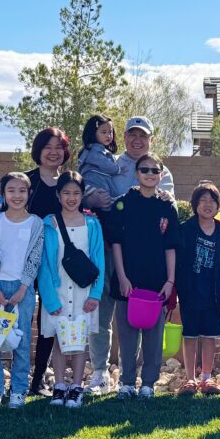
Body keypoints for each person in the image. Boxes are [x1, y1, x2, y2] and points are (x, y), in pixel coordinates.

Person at [84, 116, 175, 396]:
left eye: (143, 136)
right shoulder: (108, 163)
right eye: (132, 135)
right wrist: (92, 197)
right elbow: (84, 193)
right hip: (107, 250)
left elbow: (164, 210)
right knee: (102, 313)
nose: (138, 140)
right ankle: (100, 372)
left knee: (138, 315)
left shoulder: (163, 172)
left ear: (151, 139)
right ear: (122, 137)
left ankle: (135, 378)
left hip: (143, 260)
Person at [108, 153, 181, 399]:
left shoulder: (166, 206)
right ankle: (127, 383)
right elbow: (116, 243)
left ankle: (148, 383)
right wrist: (122, 277)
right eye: (144, 170)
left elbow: (171, 246)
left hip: (157, 283)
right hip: (127, 283)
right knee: (127, 338)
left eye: (154, 170)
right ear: (136, 173)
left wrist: (170, 281)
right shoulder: (123, 203)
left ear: (161, 175)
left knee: (153, 338)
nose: (149, 174)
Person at [37, 172, 106, 408]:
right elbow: (44, 263)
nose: (71, 198)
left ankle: (76, 386)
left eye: (76, 193)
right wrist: (49, 298)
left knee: (79, 339)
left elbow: (99, 260)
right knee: (58, 338)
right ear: (58, 195)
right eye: (66, 192)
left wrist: (95, 294)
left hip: (83, 291)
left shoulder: (92, 224)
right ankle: (59, 385)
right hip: (57, 292)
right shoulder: (49, 223)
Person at [0, 172, 45, 411]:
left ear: (28, 194)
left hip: (22, 291)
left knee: (22, 341)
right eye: (11, 190)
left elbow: (35, 259)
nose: (16, 195)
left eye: (22, 190)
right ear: (3, 194)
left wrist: (24, 287)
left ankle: (18, 390)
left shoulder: (36, 223)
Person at [23, 127, 73, 397]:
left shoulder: (69, 182)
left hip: (57, 265)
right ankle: (15, 378)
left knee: (49, 321)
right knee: (21, 319)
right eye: (48, 147)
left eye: (59, 147)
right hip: (25, 262)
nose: (54, 152)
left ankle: (38, 380)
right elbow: (7, 212)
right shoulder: (26, 182)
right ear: (38, 150)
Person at [175, 182, 220, 396]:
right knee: (190, 335)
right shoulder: (185, 230)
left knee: (210, 337)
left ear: (219, 206)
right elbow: (176, 263)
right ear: (195, 205)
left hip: (213, 294)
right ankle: (190, 379)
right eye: (202, 201)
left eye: (212, 201)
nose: (207, 205)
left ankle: (207, 379)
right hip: (190, 292)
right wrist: (174, 293)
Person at [78, 114, 120, 204]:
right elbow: (104, 164)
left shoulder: (97, 149)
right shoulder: (94, 149)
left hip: (98, 179)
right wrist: (118, 169)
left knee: (110, 197)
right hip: (94, 180)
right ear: (93, 134)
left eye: (110, 132)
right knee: (107, 199)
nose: (108, 135)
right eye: (104, 132)